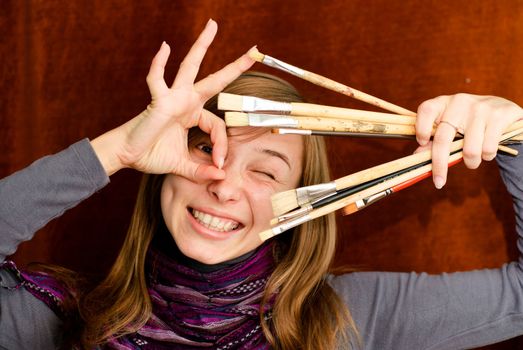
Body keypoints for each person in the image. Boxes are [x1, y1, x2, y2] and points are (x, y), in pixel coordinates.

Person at [1, 19, 523, 350]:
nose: (225, 186)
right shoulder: (62, 320)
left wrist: (515, 132)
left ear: (302, 202)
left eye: (267, 171)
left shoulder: (350, 319)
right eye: (207, 148)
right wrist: (117, 151)